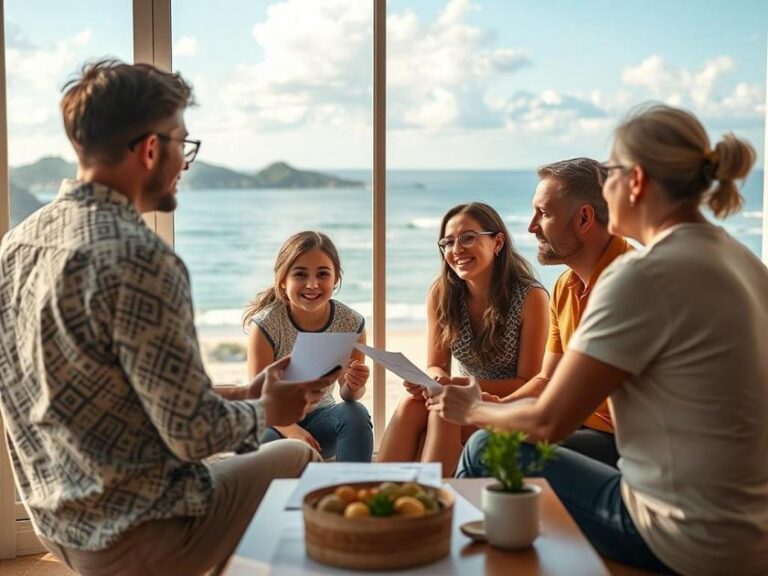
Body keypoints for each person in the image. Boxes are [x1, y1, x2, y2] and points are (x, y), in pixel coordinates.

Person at [0, 60, 338, 576]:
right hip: (137, 531)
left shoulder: (17, 245)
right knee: (298, 463)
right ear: (151, 149)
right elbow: (192, 435)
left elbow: (115, 394)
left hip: (58, 521)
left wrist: (245, 395)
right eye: (183, 143)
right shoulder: (139, 258)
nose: (185, 160)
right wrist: (269, 409)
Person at [429, 104, 768, 575]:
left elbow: (548, 422)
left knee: (486, 447)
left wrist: (471, 410)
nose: (604, 188)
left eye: (609, 172)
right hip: (752, 532)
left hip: (686, 538)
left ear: (636, 181)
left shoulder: (644, 274)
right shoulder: (742, 260)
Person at [377, 202, 548, 475]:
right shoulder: (441, 294)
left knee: (442, 413)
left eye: (468, 238)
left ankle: (431, 501)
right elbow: (436, 365)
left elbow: (529, 382)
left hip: (508, 404)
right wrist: (434, 381)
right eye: (447, 242)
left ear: (498, 242)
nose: (456, 250)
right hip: (462, 395)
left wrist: (457, 387)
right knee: (411, 404)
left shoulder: (531, 297)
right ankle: (380, 496)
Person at [486, 157, 632, 468]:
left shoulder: (628, 283)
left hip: (622, 442)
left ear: (584, 218)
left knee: (486, 446)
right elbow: (546, 379)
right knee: (475, 431)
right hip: (576, 427)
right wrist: (497, 406)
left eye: (544, 213)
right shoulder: (565, 285)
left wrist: (487, 415)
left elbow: (554, 416)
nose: (531, 226)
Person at [244, 231, 373, 462]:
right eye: (300, 274)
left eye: (323, 274)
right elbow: (258, 398)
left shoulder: (352, 323)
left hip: (321, 422)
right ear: (283, 281)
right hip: (273, 422)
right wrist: (291, 430)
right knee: (266, 440)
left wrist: (355, 385)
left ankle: (354, 485)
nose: (312, 284)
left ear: (336, 279)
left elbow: (349, 395)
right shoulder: (265, 325)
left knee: (356, 413)